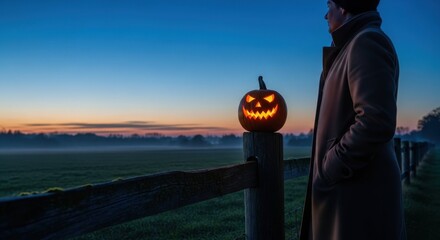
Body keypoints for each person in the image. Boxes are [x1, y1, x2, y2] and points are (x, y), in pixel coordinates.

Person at [299, 0, 405, 239]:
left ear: (344, 7)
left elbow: (375, 121)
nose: (326, 15)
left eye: (329, 5)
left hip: (357, 198)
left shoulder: (366, 42)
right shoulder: (350, 46)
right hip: (351, 194)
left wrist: (329, 167)